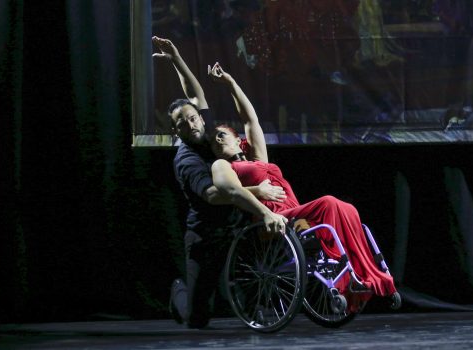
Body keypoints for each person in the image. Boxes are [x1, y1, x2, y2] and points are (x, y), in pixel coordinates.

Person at [207, 62, 398, 311]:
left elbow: (250, 119)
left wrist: (231, 83)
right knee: (329, 202)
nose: (218, 139)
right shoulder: (224, 165)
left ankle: (364, 274)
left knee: (347, 208)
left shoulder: (258, 160)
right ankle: (347, 275)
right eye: (213, 140)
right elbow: (229, 191)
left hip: (297, 214)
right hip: (276, 219)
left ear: (238, 140)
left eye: (222, 134)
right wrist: (259, 193)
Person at [152, 36, 288, 328]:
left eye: (193, 117)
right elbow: (214, 195)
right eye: (183, 123)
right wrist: (257, 190)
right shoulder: (186, 159)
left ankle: (254, 307)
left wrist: (176, 58)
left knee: (251, 268)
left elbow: (195, 93)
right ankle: (179, 292)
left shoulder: (210, 136)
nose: (191, 123)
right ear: (176, 131)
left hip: (236, 224)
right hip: (206, 236)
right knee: (197, 318)